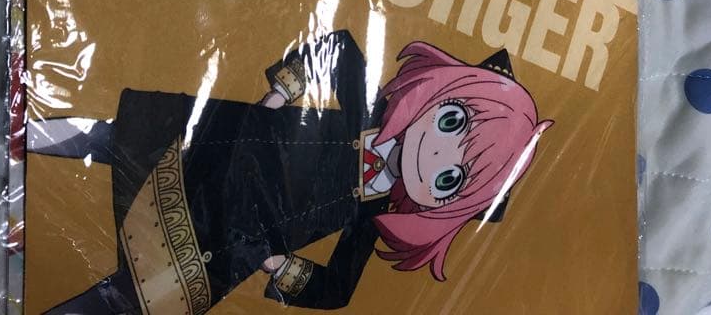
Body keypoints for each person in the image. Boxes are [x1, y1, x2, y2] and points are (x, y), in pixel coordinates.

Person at [31, 31, 552, 313]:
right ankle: (24, 131)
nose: (434, 156)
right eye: (451, 121)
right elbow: (341, 48)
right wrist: (283, 92)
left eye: (450, 181)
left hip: (230, 238)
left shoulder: (371, 220)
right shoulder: (366, 109)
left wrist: (280, 265)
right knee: (114, 138)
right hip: (227, 146)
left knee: (126, 297)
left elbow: (338, 290)